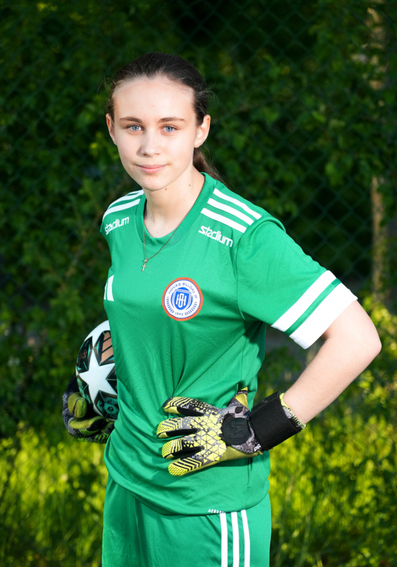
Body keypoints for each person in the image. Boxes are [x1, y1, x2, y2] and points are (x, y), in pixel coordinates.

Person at [62, 52, 381, 566]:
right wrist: (97, 387)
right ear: (111, 129)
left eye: (170, 127)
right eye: (133, 126)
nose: (149, 146)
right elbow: (142, 324)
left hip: (208, 506)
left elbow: (358, 338)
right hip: (127, 485)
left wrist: (256, 430)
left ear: (201, 130)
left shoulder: (243, 237)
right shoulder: (118, 220)